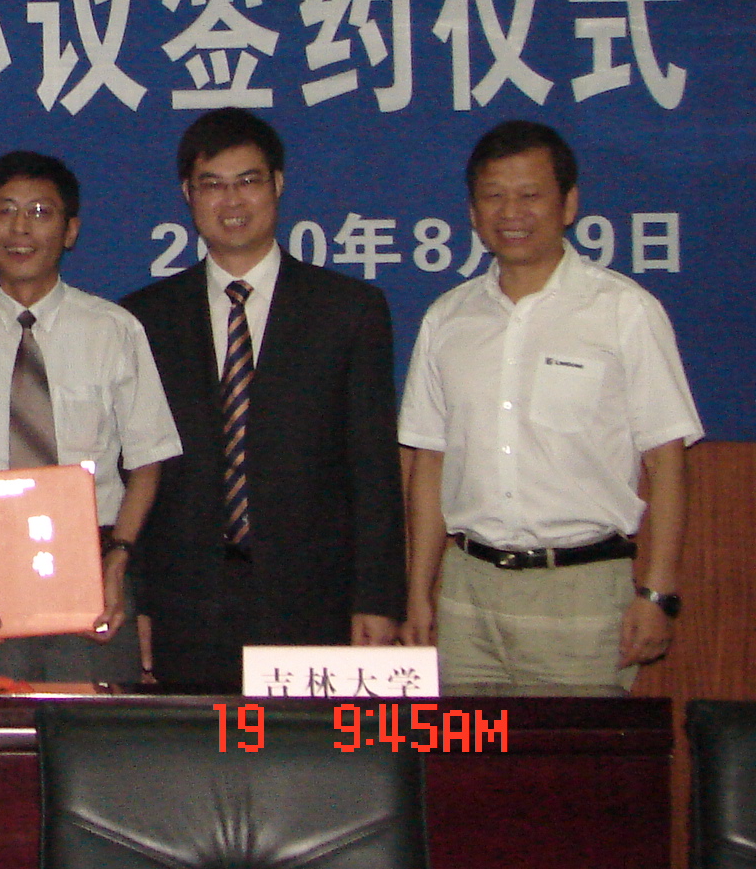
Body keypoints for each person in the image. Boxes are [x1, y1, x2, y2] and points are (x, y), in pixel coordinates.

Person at [399, 119, 702, 691]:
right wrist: (419, 591)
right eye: (494, 195)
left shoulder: (623, 310)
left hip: (581, 591)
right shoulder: (447, 318)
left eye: (530, 194)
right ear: (473, 212)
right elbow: (429, 462)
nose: (511, 212)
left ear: (568, 205)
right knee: (467, 750)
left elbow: (667, 461)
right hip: (465, 591)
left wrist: (658, 593)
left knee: (572, 751)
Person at [121, 109, 404, 692]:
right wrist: (138, 599)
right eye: (212, 183)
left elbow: (373, 469)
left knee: (309, 751)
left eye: (248, 180)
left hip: (315, 599)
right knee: (196, 748)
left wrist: (377, 598)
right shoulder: (143, 319)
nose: (232, 200)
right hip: (184, 603)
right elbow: (137, 472)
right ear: (188, 194)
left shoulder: (348, 311)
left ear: (277, 184)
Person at [0, 150, 180, 683]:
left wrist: (118, 559)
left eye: (40, 212)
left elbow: (148, 462)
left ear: (70, 230)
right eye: (5, 211)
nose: (20, 228)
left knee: (94, 727)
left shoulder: (114, 330)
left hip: (93, 573)